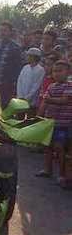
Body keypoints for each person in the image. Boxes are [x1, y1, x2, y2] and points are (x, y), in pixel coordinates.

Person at [36, 60, 72, 188]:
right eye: (54, 71)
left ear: (68, 72)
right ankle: (47, 169)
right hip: (49, 123)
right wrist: (39, 116)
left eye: (60, 71)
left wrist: (49, 100)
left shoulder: (69, 86)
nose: (56, 74)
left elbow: (64, 100)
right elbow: (44, 103)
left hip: (63, 124)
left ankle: (62, 174)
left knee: (59, 148)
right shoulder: (51, 86)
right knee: (48, 147)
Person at [16, 48, 45, 112]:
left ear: (34, 57)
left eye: (29, 55)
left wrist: (27, 97)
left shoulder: (40, 70)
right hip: (21, 98)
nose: (27, 57)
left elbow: (37, 86)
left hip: (32, 101)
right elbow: (19, 81)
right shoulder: (25, 67)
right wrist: (20, 95)